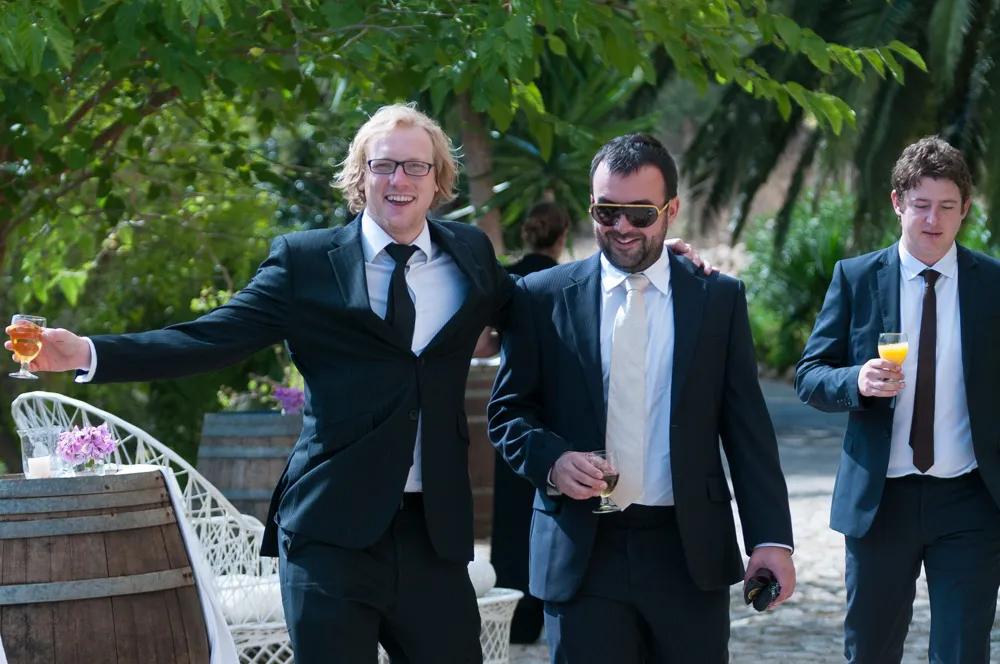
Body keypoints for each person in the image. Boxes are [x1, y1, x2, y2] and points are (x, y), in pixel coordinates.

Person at [5, 105, 712, 663]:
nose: (398, 181)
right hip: (330, 536)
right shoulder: (305, 263)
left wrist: (649, 261)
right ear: (360, 176)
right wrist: (86, 352)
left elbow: (537, 300)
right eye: (382, 167)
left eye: (414, 166)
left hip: (434, 535)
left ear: (439, 179)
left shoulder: (468, 252)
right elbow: (207, 337)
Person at [487, 132, 795, 664]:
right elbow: (508, 411)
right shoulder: (541, 298)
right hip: (583, 551)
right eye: (607, 212)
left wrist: (771, 538)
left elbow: (746, 429)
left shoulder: (717, 299)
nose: (622, 227)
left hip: (686, 550)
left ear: (670, 209)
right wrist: (554, 461)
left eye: (639, 212)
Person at [795, 136, 1000, 664]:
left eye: (947, 207)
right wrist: (856, 382)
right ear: (897, 203)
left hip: (970, 500)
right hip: (880, 501)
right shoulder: (858, 278)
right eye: (922, 205)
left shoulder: (992, 285)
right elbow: (809, 376)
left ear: (965, 211)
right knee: (870, 649)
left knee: (962, 651)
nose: (933, 220)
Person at [490, 200, 571, 644]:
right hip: (554, 412)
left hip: (513, 407)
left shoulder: (508, 280)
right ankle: (548, 605)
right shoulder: (568, 281)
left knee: (509, 523)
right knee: (552, 511)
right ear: (561, 237)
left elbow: (483, 341)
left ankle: (514, 620)